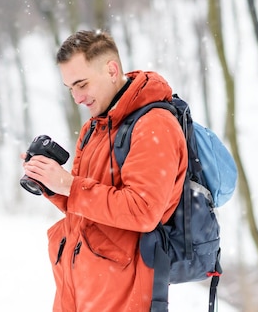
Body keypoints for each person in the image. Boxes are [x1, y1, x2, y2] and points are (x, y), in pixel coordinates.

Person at [22, 30, 187, 312]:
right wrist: (51, 183)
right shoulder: (94, 128)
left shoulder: (154, 125)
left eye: (81, 84)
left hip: (124, 298)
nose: (77, 97)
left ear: (111, 69)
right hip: (81, 293)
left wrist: (70, 186)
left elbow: (143, 210)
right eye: (69, 88)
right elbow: (89, 209)